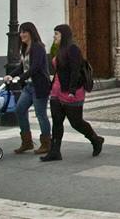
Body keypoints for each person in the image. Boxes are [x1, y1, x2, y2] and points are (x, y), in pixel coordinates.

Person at [40, 24, 104, 162]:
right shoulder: (60, 49)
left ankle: (95, 139)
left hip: (71, 91)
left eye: (56, 34)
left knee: (76, 122)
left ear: (64, 35)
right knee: (57, 122)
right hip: (57, 91)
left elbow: (75, 70)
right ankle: (55, 151)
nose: (54, 36)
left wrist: (72, 90)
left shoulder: (73, 49)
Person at [4, 22, 52, 155]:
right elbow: (22, 66)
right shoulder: (25, 48)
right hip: (29, 87)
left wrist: (21, 78)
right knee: (19, 110)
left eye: (24, 32)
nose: (21, 35)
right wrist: (10, 75)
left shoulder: (38, 47)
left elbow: (35, 67)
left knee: (40, 114)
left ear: (31, 32)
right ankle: (27, 142)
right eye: (20, 32)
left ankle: (47, 143)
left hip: (39, 86)